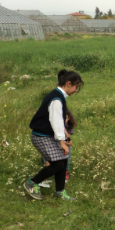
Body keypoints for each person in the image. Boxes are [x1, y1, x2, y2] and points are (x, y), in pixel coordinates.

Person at [24, 69, 83, 201]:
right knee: (57, 164)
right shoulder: (56, 99)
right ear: (68, 83)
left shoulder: (59, 96)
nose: (76, 90)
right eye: (76, 87)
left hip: (47, 135)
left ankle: (60, 192)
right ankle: (32, 183)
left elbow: (60, 121)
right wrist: (62, 142)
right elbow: (55, 121)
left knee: (62, 159)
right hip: (41, 136)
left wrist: (65, 137)